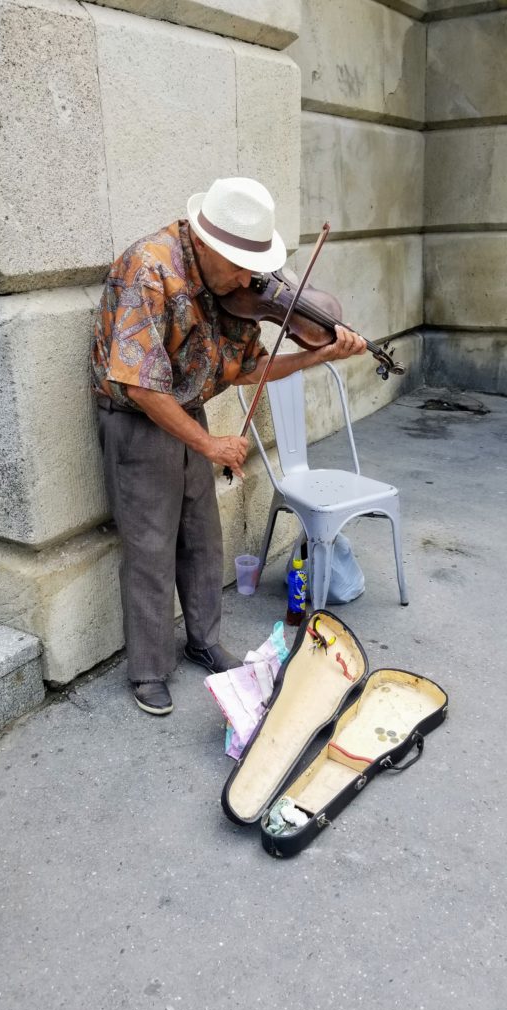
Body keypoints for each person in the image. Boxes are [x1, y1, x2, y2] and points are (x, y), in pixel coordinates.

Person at [91, 177, 366, 716]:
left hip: (187, 412)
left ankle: (203, 640)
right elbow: (142, 386)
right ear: (207, 244)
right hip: (138, 417)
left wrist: (318, 356)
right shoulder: (149, 269)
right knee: (150, 548)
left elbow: (249, 369)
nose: (251, 279)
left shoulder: (235, 288)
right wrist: (212, 444)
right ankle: (148, 670)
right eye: (241, 264)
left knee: (201, 535)